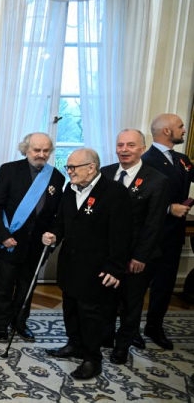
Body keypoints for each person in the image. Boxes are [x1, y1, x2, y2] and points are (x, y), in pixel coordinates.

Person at [42, 148, 131, 380]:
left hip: (97, 268)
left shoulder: (114, 192)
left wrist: (115, 267)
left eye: (73, 167)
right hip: (70, 264)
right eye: (68, 167)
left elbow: (121, 234)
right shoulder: (69, 190)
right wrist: (53, 234)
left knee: (90, 314)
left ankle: (93, 358)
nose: (69, 171)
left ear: (91, 167)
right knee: (70, 307)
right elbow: (60, 221)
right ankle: (74, 344)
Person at [100, 129, 168, 364]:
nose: (124, 150)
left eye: (130, 145)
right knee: (106, 300)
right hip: (108, 255)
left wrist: (139, 257)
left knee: (130, 304)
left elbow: (154, 224)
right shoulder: (105, 173)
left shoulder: (157, 180)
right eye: (120, 145)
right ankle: (105, 337)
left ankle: (122, 346)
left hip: (136, 257)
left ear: (142, 148)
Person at [0, 132, 65, 342]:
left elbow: (58, 215)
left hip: (37, 246)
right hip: (9, 241)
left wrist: (53, 236)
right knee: (4, 286)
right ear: (26, 149)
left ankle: (20, 322)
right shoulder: (9, 170)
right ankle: (2, 324)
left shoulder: (57, 177)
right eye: (36, 150)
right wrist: (3, 235)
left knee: (27, 287)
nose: (41, 154)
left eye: (46, 150)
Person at [139, 113, 193, 349]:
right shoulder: (145, 160)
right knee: (138, 286)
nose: (184, 130)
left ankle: (154, 326)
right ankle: (129, 330)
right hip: (151, 235)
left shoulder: (182, 159)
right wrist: (170, 208)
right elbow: (137, 200)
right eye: (180, 127)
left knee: (165, 285)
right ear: (167, 132)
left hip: (173, 236)